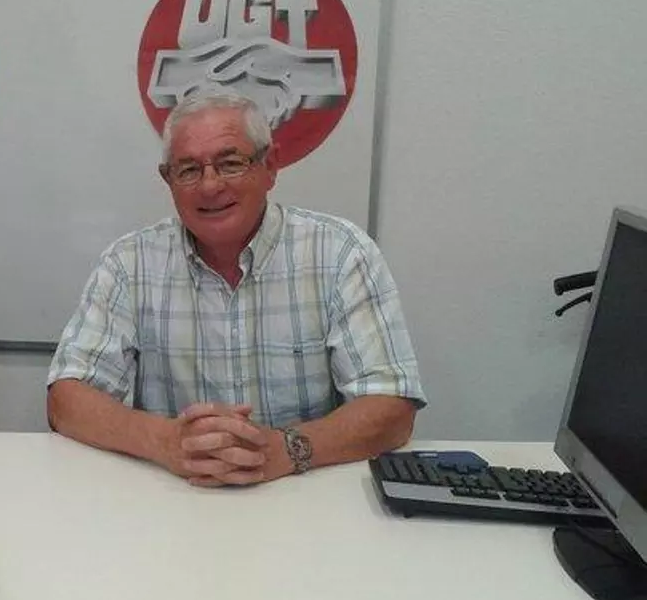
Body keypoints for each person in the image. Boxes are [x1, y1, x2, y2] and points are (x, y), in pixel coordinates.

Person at [47, 91, 425, 488]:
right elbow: (66, 400)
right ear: (168, 180)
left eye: (230, 164)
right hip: (173, 499)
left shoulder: (340, 253)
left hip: (306, 498)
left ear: (270, 166)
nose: (210, 186)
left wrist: (284, 449)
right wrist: (165, 442)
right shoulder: (128, 263)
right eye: (188, 170)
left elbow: (393, 408)